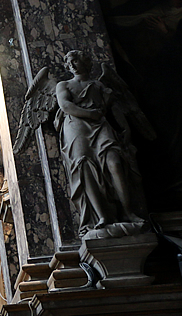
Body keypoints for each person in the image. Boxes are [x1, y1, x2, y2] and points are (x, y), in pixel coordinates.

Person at [55, 51, 143, 235]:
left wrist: (125, 127)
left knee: (115, 163)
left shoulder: (98, 84)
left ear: (85, 62)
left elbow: (115, 108)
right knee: (84, 166)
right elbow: (65, 106)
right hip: (76, 126)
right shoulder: (64, 85)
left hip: (100, 125)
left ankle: (128, 213)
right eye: (69, 62)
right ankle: (101, 216)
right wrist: (90, 114)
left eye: (75, 60)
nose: (72, 64)